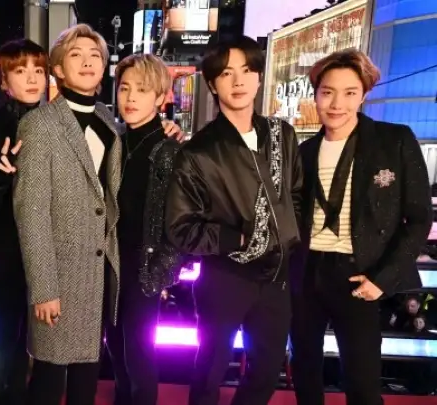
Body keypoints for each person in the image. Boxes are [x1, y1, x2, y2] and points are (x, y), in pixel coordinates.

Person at [164, 35, 303, 405]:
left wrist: (288, 236)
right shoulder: (198, 152)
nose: (238, 81)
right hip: (225, 276)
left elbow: (296, 195)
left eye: (246, 70)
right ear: (212, 84)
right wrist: (238, 239)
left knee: (267, 371)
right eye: (227, 73)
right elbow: (180, 227)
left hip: (276, 276)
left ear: (259, 77)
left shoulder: (282, 135)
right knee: (210, 372)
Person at [290, 49, 431, 405]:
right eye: (327, 92)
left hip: (360, 274)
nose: (337, 103)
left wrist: (382, 278)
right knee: (305, 372)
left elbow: (418, 219)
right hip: (307, 271)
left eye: (349, 92)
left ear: (364, 94)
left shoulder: (394, 141)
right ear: (316, 95)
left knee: (363, 382)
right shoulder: (304, 151)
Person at [12, 23, 121, 405]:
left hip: (98, 271)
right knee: (47, 378)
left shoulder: (108, 120)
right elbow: (32, 212)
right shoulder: (39, 124)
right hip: (59, 273)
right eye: (76, 55)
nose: (87, 62)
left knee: (86, 379)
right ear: (57, 68)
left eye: (95, 56)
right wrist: (44, 288)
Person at [106, 53, 185, 405]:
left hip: (145, 264)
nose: (131, 98)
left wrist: (163, 272)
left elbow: (181, 218)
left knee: (139, 351)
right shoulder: (114, 140)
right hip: (109, 260)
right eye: (125, 88)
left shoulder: (170, 149)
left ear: (160, 97)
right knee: (114, 343)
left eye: (142, 89)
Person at [0, 38, 47, 405]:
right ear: (4, 81)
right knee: (4, 339)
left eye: (39, 70)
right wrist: (1, 179)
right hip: (5, 256)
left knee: (37, 345)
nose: (32, 79)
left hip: (50, 257)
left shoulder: (57, 125)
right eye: (21, 70)